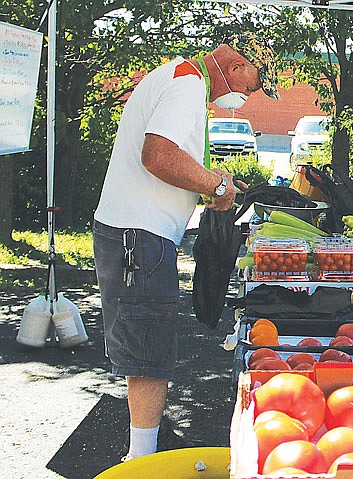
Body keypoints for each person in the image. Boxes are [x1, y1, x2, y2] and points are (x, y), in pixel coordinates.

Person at [92, 34, 278, 461]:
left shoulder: (179, 76)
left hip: (135, 233)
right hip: (139, 237)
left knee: (146, 343)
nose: (247, 98)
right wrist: (215, 184)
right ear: (234, 66)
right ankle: (140, 457)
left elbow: (168, 161)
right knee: (148, 350)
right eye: (250, 87)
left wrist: (210, 184)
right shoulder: (187, 83)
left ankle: (145, 440)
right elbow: (157, 155)